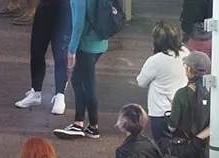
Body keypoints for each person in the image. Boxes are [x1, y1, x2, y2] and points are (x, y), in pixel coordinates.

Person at [54, 0, 122, 138]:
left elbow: (78, 24)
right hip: (100, 42)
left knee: (86, 83)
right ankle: (87, 124)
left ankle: (87, 124)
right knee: (79, 79)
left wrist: (71, 50)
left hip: (87, 45)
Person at [14, 0, 71, 114]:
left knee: (60, 55)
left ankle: (60, 95)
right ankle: (36, 91)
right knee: (36, 51)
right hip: (44, 8)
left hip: (63, 11)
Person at [133, 24, 187, 126]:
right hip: (182, 109)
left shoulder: (155, 60)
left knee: (161, 140)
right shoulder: (185, 52)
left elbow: (141, 82)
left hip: (160, 111)